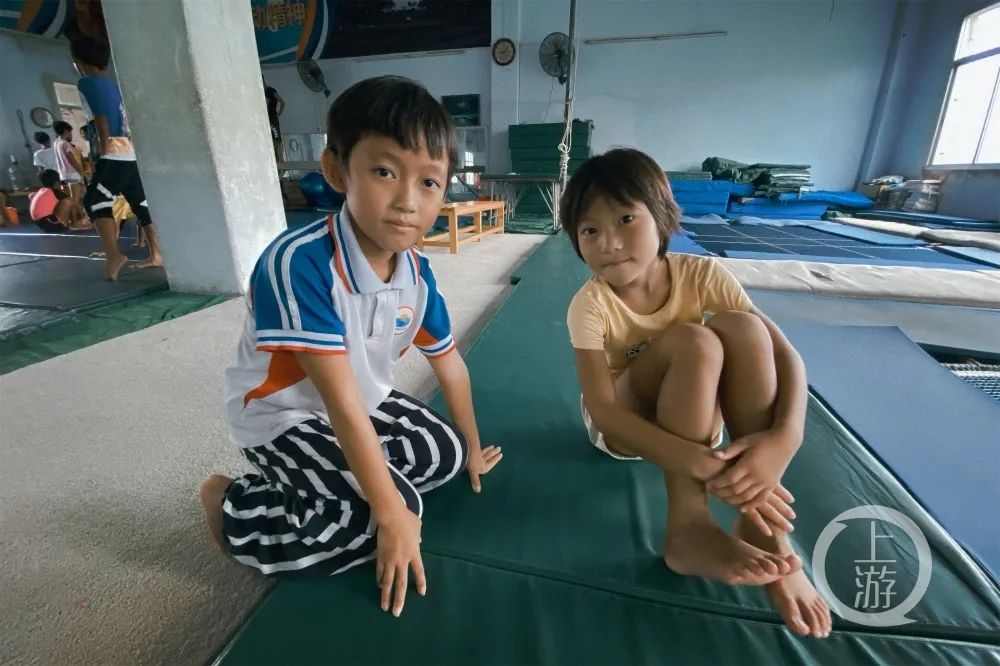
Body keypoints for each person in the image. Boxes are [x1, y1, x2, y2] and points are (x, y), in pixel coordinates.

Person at [201, 76, 502, 616]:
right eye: (385, 172)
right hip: (281, 415)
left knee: (449, 454)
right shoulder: (298, 263)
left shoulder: (416, 273)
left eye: (429, 182)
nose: (408, 201)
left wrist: (474, 449)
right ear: (338, 170)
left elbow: (451, 366)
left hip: (360, 401)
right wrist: (389, 510)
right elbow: (337, 402)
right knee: (376, 521)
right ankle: (232, 508)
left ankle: (339, 475)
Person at [563, 148, 831, 639]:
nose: (610, 242)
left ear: (662, 217)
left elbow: (785, 354)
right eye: (590, 230)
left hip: (696, 415)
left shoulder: (702, 274)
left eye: (625, 219)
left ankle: (760, 521)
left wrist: (784, 439)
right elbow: (604, 412)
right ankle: (688, 527)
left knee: (745, 329)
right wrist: (707, 466)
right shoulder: (590, 305)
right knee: (693, 340)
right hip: (627, 429)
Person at [71, 35, 163, 280]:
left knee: (95, 201)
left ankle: (114, 255)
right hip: (130, 151)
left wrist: (105, 149)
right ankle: (157, 253)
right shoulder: (114, 86)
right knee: (139, 201)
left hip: (114, 150)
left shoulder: (87, 83)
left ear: (78, 60)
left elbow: (101, 116)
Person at [52, 121, 87, 200]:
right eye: (70, 132)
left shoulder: (56, 143)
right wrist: (82, 172)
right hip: (72, 174)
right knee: (76, 198)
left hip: (63, 175)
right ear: (65, 131)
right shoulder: (65, 144)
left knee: (70, 198)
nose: (71, 135)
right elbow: (72, 160)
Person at [264, 78, 285, 163]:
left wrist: (279, 114)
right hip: (266, 119)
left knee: (277, 137)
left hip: (272, 118)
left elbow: (282, 102)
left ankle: (281, 159)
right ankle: (276, 159)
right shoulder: (261, 92)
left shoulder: (269, 90)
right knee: (272, 138)